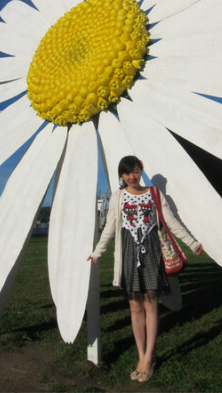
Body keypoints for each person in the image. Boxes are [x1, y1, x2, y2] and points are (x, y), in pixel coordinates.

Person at [87, 155, 203, 383]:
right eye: (127, 173)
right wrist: (97, 252)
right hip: (128, 257)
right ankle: (141, 355)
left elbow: (171, 221)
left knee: (151, 305)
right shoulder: (118, 197)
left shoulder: (154, 194)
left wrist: (192, 243)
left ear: (141, 171)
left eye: (136, 171)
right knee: (134, 306)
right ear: (121, 176)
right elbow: (110, 227)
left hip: (152, 255)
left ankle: (149, 357)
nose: (132, 176)